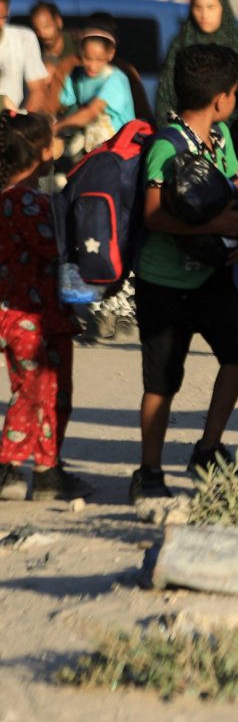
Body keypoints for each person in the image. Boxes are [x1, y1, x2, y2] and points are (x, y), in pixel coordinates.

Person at [129, 44, 238, 503]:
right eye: (236, 90)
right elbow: (153, 216)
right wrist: (216, 224)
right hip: (164, 282)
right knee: (161, 381)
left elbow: (234, 186)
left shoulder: (219, 136)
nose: (236, 97)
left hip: (210, 275)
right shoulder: (167, 145)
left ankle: (208, 448)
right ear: (221, 97)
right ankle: (149, 470)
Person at [0, 110, 90, 502]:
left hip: (30, 314)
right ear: (39, 152)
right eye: (51, 139)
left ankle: (47, 467)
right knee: (36, 389)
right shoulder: (26, 202)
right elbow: (53, 248)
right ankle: (8, 465)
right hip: (31, 316)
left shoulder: (15, 197)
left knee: (49, 389)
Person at [155, 0, 238, 126]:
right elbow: (166, 92)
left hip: (236, 132)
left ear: (223, 8)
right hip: (188, 130)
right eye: (198, 8)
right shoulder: (181, 43)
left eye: (211, 7)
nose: (204, 15)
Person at [53, 23, 136, 154]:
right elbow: (61, 105)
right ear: (80, 51)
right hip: (91, 149)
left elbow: (91, 113)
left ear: (111, 54)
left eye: (99, 60)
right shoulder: (77, 76)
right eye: (88, 58)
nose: (92, 66)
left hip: (117, 151)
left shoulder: (115, 79)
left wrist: (56, 128)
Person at [0, 0, 49, 112]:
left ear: (8, 12)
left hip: (13, 123)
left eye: (2, 18)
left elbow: (37, 90)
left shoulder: (24, 38)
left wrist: (24, 123)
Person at [28, 0, 76, 111]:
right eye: (37, 29)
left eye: (47, 27)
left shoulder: (76, 46)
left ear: (58, 22)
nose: (43, 33)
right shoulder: (33, 51)